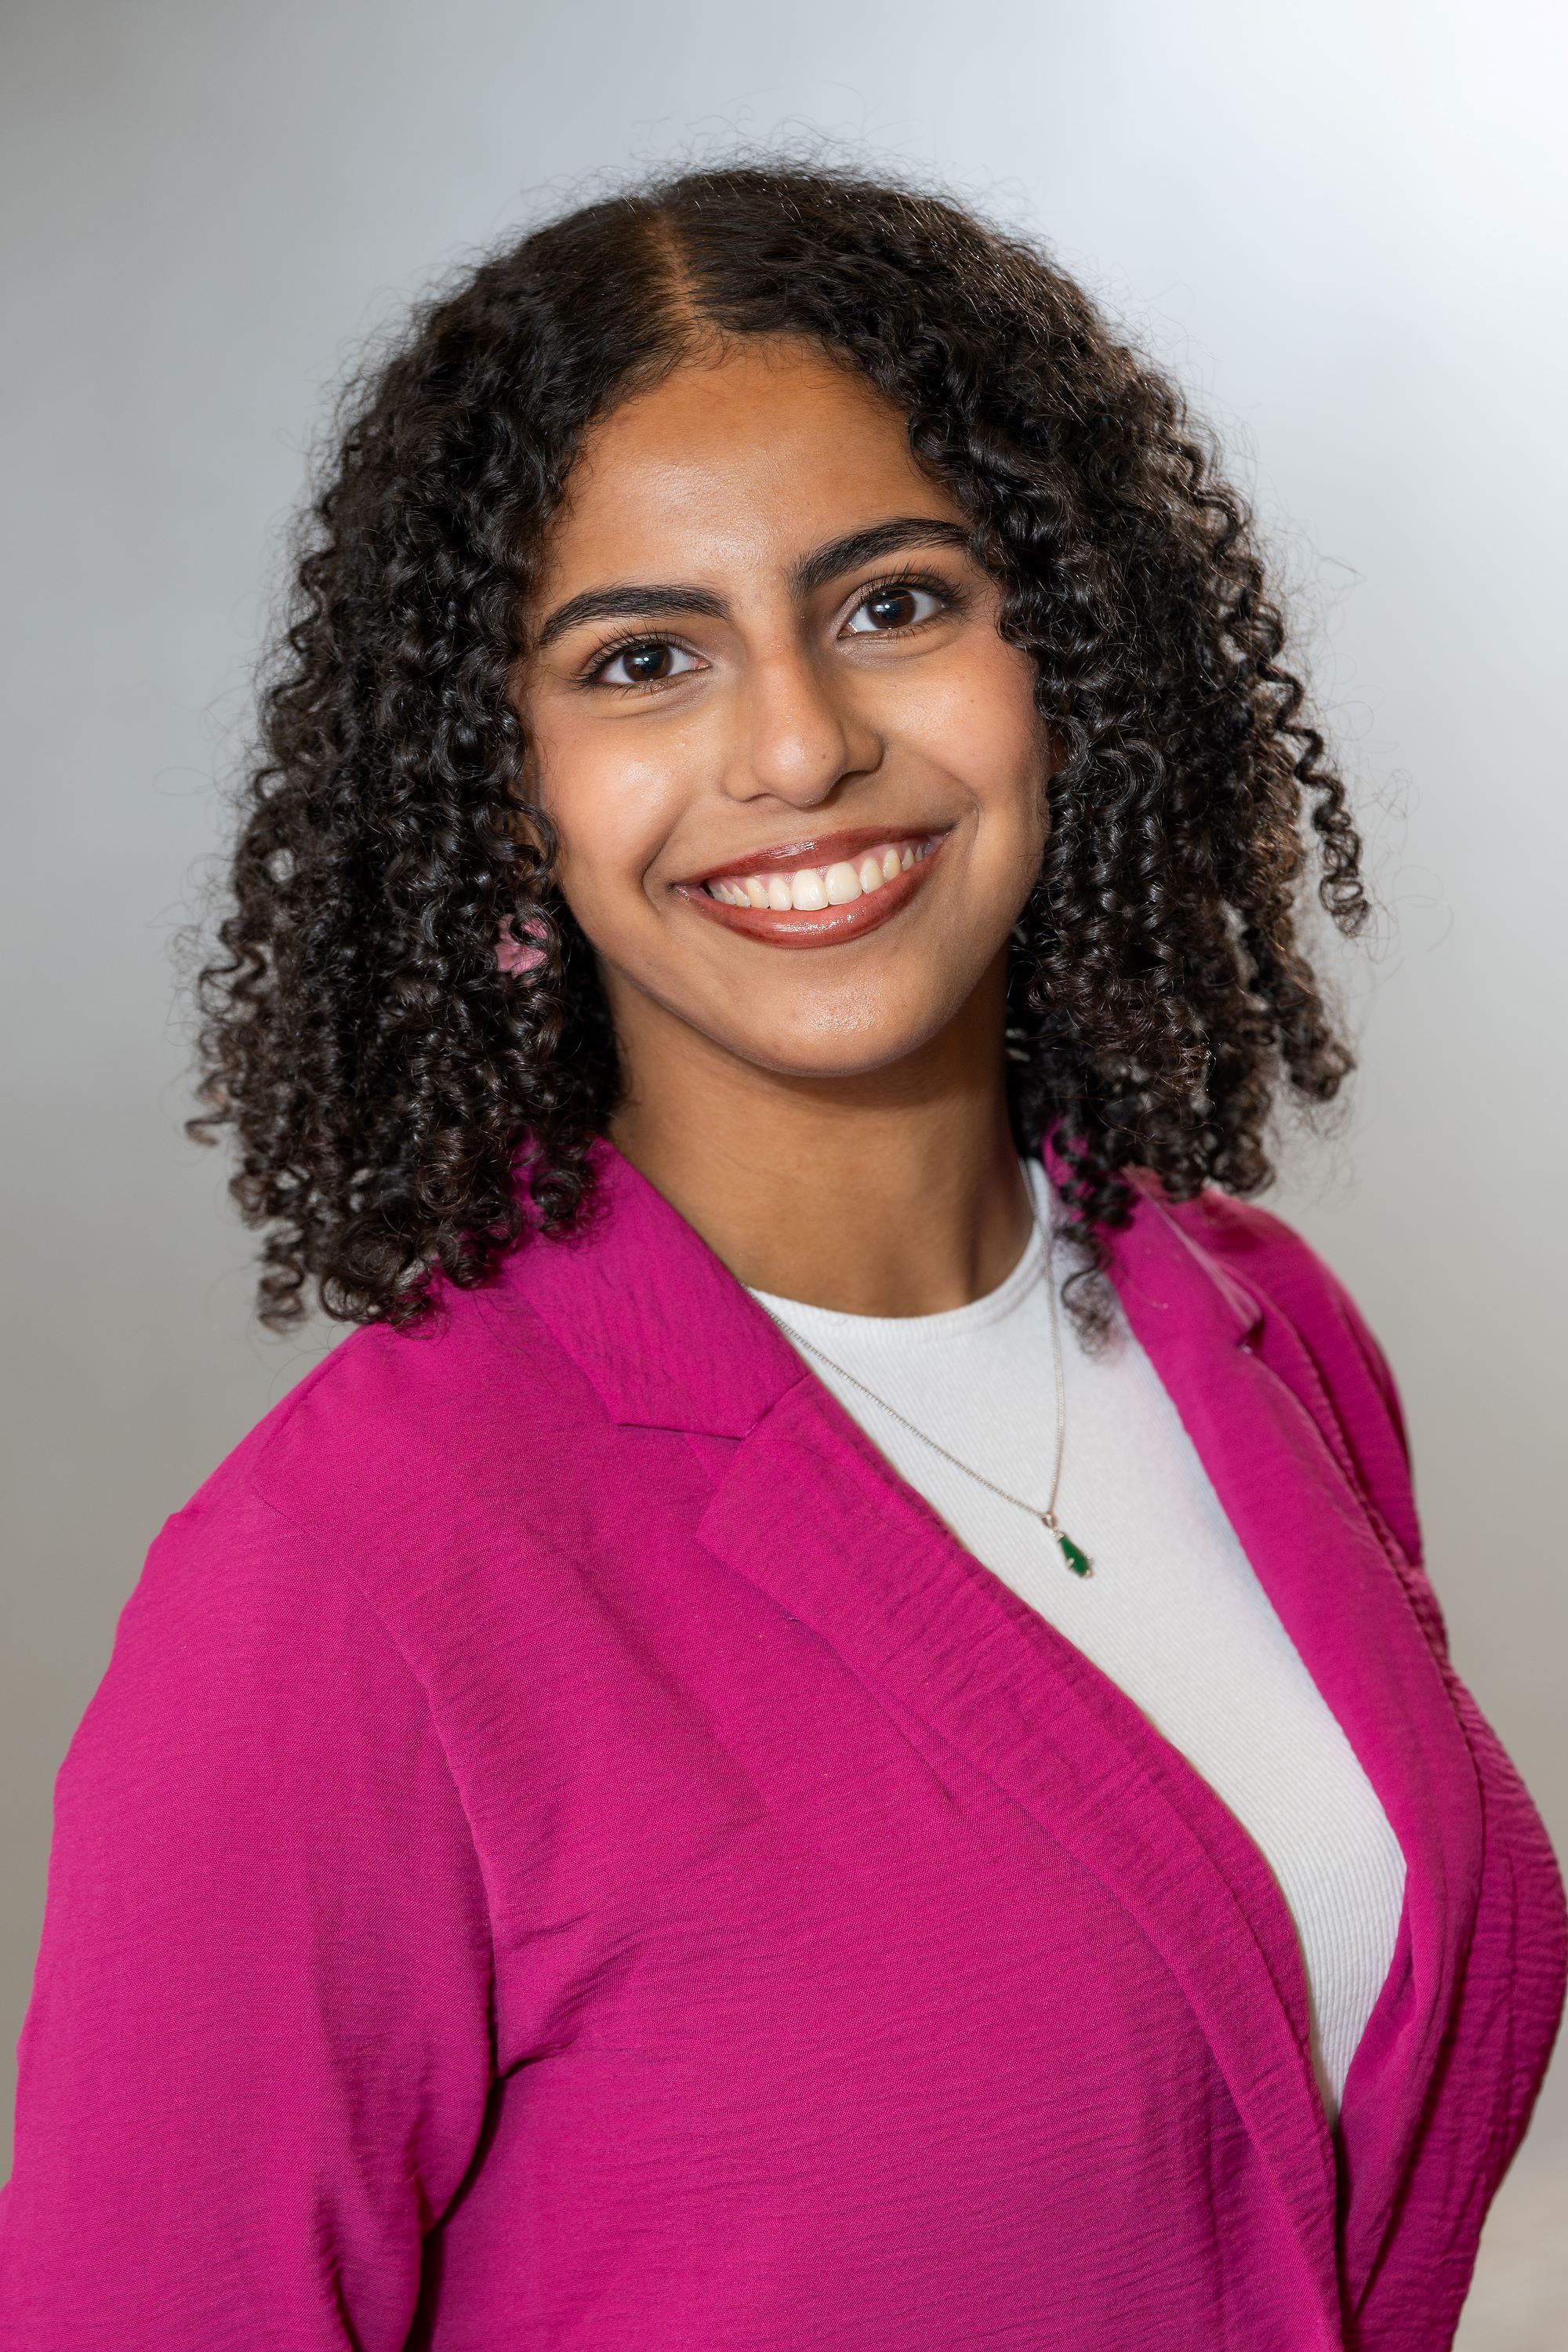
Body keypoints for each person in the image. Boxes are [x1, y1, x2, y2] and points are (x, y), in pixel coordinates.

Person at [1, 162, 1561, 2352]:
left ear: (1065, 646)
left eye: (895, 604)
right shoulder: (348, 1585)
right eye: (645, 659)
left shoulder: (1266, 1336)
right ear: (501, 780)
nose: (800, 747)